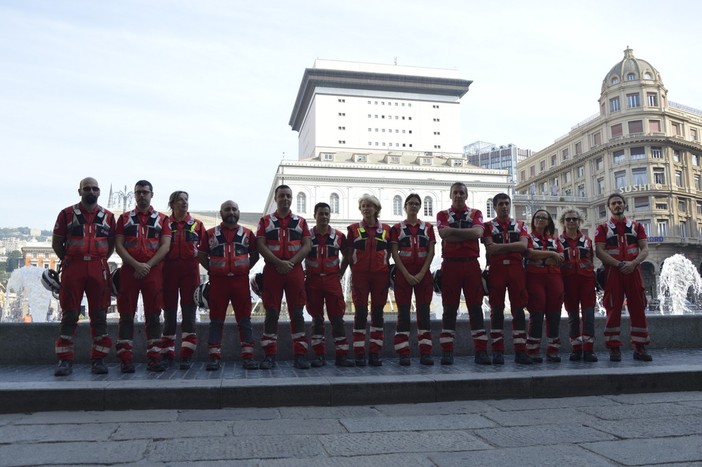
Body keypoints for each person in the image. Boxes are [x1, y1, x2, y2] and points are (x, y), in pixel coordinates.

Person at [52, 177, 115, 376]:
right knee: (69, 314)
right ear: (79, 191)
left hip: (98, 267)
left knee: (99, 315)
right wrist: (69, 259)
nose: (91, 191)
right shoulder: (66, 214)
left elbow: (112, 245)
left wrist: (99, 259)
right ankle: (64, 360)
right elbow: (57, 243)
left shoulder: (108, 216)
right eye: (86, 188)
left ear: (99, 192)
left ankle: (99, 359)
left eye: (94, 188)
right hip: (74, 267)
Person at [115, 180, 172, 373]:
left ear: (151, 194)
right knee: (126, 315)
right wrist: (136, 264)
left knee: (154, 315)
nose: (142, 195)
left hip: (153, 271)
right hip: (129, 271)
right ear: (134, 194)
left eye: (145, 192)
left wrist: (147, 265)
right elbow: (119, 245)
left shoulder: (162, 219)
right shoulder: (124, 219)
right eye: (138, 192)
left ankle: (155, 358)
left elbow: (165, 246)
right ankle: (125, 359)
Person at [198, 200, 260, 371]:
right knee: (216, 320)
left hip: (240, 281)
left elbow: (255, 255)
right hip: (218, 282)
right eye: (227, 209)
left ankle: (248, 357)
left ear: (238, 212)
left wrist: (245, 268)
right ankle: (214, 357)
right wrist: (211, 269)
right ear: (221, 212)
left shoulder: (248, 234)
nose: (231, 212)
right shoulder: (210, 234)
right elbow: (202, 255)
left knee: (245, 320)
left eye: (234, 209)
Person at [256, 185, 312, 370]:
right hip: (273, 270)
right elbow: (261, 245)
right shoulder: (265, 221)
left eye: (288, 196)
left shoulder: (301, 222)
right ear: (276, 198)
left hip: (294, 270)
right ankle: (269, 355)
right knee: (271, 313)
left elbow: (306, 245)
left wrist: (291, 262)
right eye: (282, 196)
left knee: (297, 313)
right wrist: (278, 262)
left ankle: (300, 355)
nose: (285, 199)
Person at [436, 182, 489, 365]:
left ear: (466, 195)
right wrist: (467, 233)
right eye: (455, 193)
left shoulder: (476, 213)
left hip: (471, 265)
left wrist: (454, 233)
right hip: (450, 266)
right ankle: (447, 351)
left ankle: (481, 352)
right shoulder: (442, 214)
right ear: (450, 195)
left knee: (476, 308)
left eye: (461, 193)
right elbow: (444, 235)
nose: (458, 195)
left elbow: (478, 233)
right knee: (449, 309)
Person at [595, 193, 651, 362]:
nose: (617, 205)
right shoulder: (602, 228)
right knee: (612, 309)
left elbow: (645, 249)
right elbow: (599, 251)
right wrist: (619, 264)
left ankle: (640, 348)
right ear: (609, 207)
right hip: (614, 272)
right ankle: (614, 348)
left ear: (625, 205)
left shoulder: (636, 226)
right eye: (614, 203)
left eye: (620, 202)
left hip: (633, 271)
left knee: (638, 308)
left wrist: (633, 264)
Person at [482, 193, 532, 365]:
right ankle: (497, 351)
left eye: (507, 203)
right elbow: (490, 249)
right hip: (497, 271)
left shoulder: (520, 225)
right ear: (494, 207)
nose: (504, 206)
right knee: (496, 310)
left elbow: (523, 246)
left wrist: (500, 247)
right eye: (501, 204)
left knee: (518, 310)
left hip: (516, 270)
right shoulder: (487, 226)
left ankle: (520, 351)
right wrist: (511, 247)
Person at [304, 202, 355, 367]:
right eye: (321, 214)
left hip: (332, 280)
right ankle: (319, 355)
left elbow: (347, 255)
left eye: (327, 214)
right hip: (313, 280)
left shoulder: (339, 236)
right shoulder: (307, 236)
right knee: (316, 319)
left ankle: (342, 355)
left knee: (337, 318)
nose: (324, 217)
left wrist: (341, 271)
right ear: (315, 215)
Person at [344, 194, 392, 367]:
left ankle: (374, 352)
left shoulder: (387, 229)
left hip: (381, 276)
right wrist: (354, 268)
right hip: (360, 276)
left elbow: (390, 253)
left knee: (378, 314)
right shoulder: (353, 229)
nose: (366, 208)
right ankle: (359, 353)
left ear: (376, 209)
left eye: (369, 206)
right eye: (363, 206)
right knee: (360, 314)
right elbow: (348, 254)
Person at [161, 191, 206, 370]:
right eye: (180, 200)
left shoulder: (197, 224)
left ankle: (187, 355)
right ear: (172, 203)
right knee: (169, 314)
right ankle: (167, 354)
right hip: (168, 272)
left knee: (189, 315)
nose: (184, 203)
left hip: (190, 273)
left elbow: (204, 250)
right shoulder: (164, 223)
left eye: (186, 200)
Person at [389, 194, 436, 366]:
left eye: (417, 204)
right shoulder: (397, 228)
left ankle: (426, 352)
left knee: (424, 314)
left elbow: (431, 252)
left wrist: (423, 272)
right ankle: (403, 353)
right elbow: (394, 253)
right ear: (405, 206)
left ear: (420, 206)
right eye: (411, 203)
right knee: (403, 314)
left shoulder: (428, 227)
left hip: (423, 274)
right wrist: (406, 274)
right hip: (404, 274)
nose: (414, 206)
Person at [558, 208, 598, 362]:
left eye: (574, 219)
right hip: (568, 282)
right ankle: (576, 349)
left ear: (579, 221)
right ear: (563, 222)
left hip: (586, 282)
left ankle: (588, 350)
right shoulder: (558, 241)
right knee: (573, 316)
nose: (571, 222)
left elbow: (591, 260)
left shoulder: (587, 241)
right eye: (568, 219)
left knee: (589, 316)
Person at [525, 209, 565, 362]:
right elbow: (529, 253)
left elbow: (561, 257)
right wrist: (551, 255)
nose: (540, 220)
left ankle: (553, 349)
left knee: (554, 313)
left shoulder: (555, 240)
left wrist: (542, 257)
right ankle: (532, 350)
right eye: (538, 217)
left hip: (554, 278)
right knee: (537, 312)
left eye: (544, 218)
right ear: (533, 220)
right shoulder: (527, 238)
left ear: (548, 222)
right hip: (534, 278)